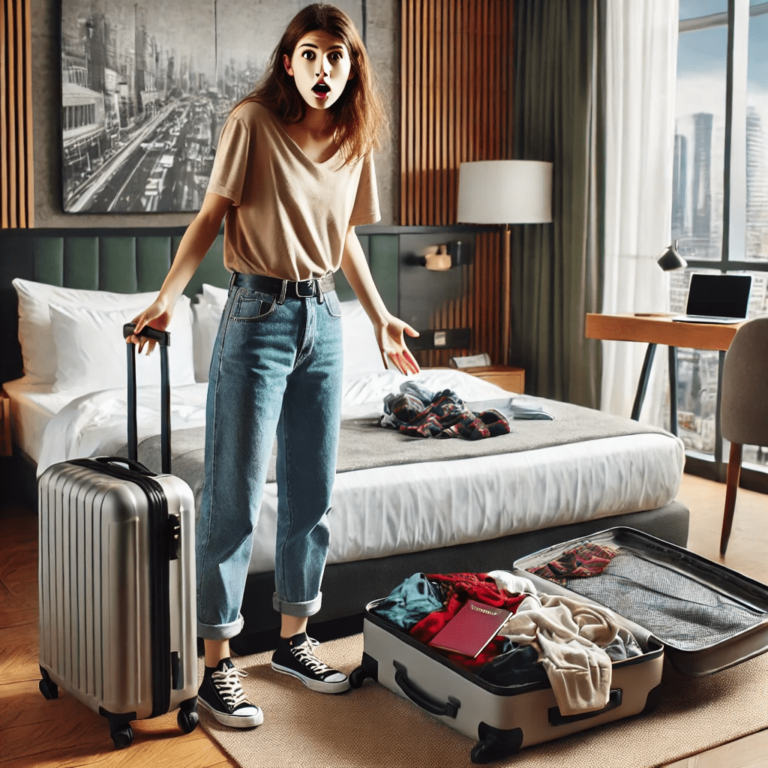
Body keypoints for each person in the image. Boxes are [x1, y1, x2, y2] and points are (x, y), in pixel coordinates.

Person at [127, 3, 419, 729]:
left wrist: (378, 315)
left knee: (312, 494)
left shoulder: (355, 138)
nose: (325, 69)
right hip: (255, 316)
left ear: (354, 69)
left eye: (338, 57)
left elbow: (345, 236)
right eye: (312, 54)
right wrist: (168, 298)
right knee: (231, 496)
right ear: (289, 61)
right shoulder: (251, 122)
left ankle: (295, 640)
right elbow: (211, 215)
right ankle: (217, 665)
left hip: (325, 320)